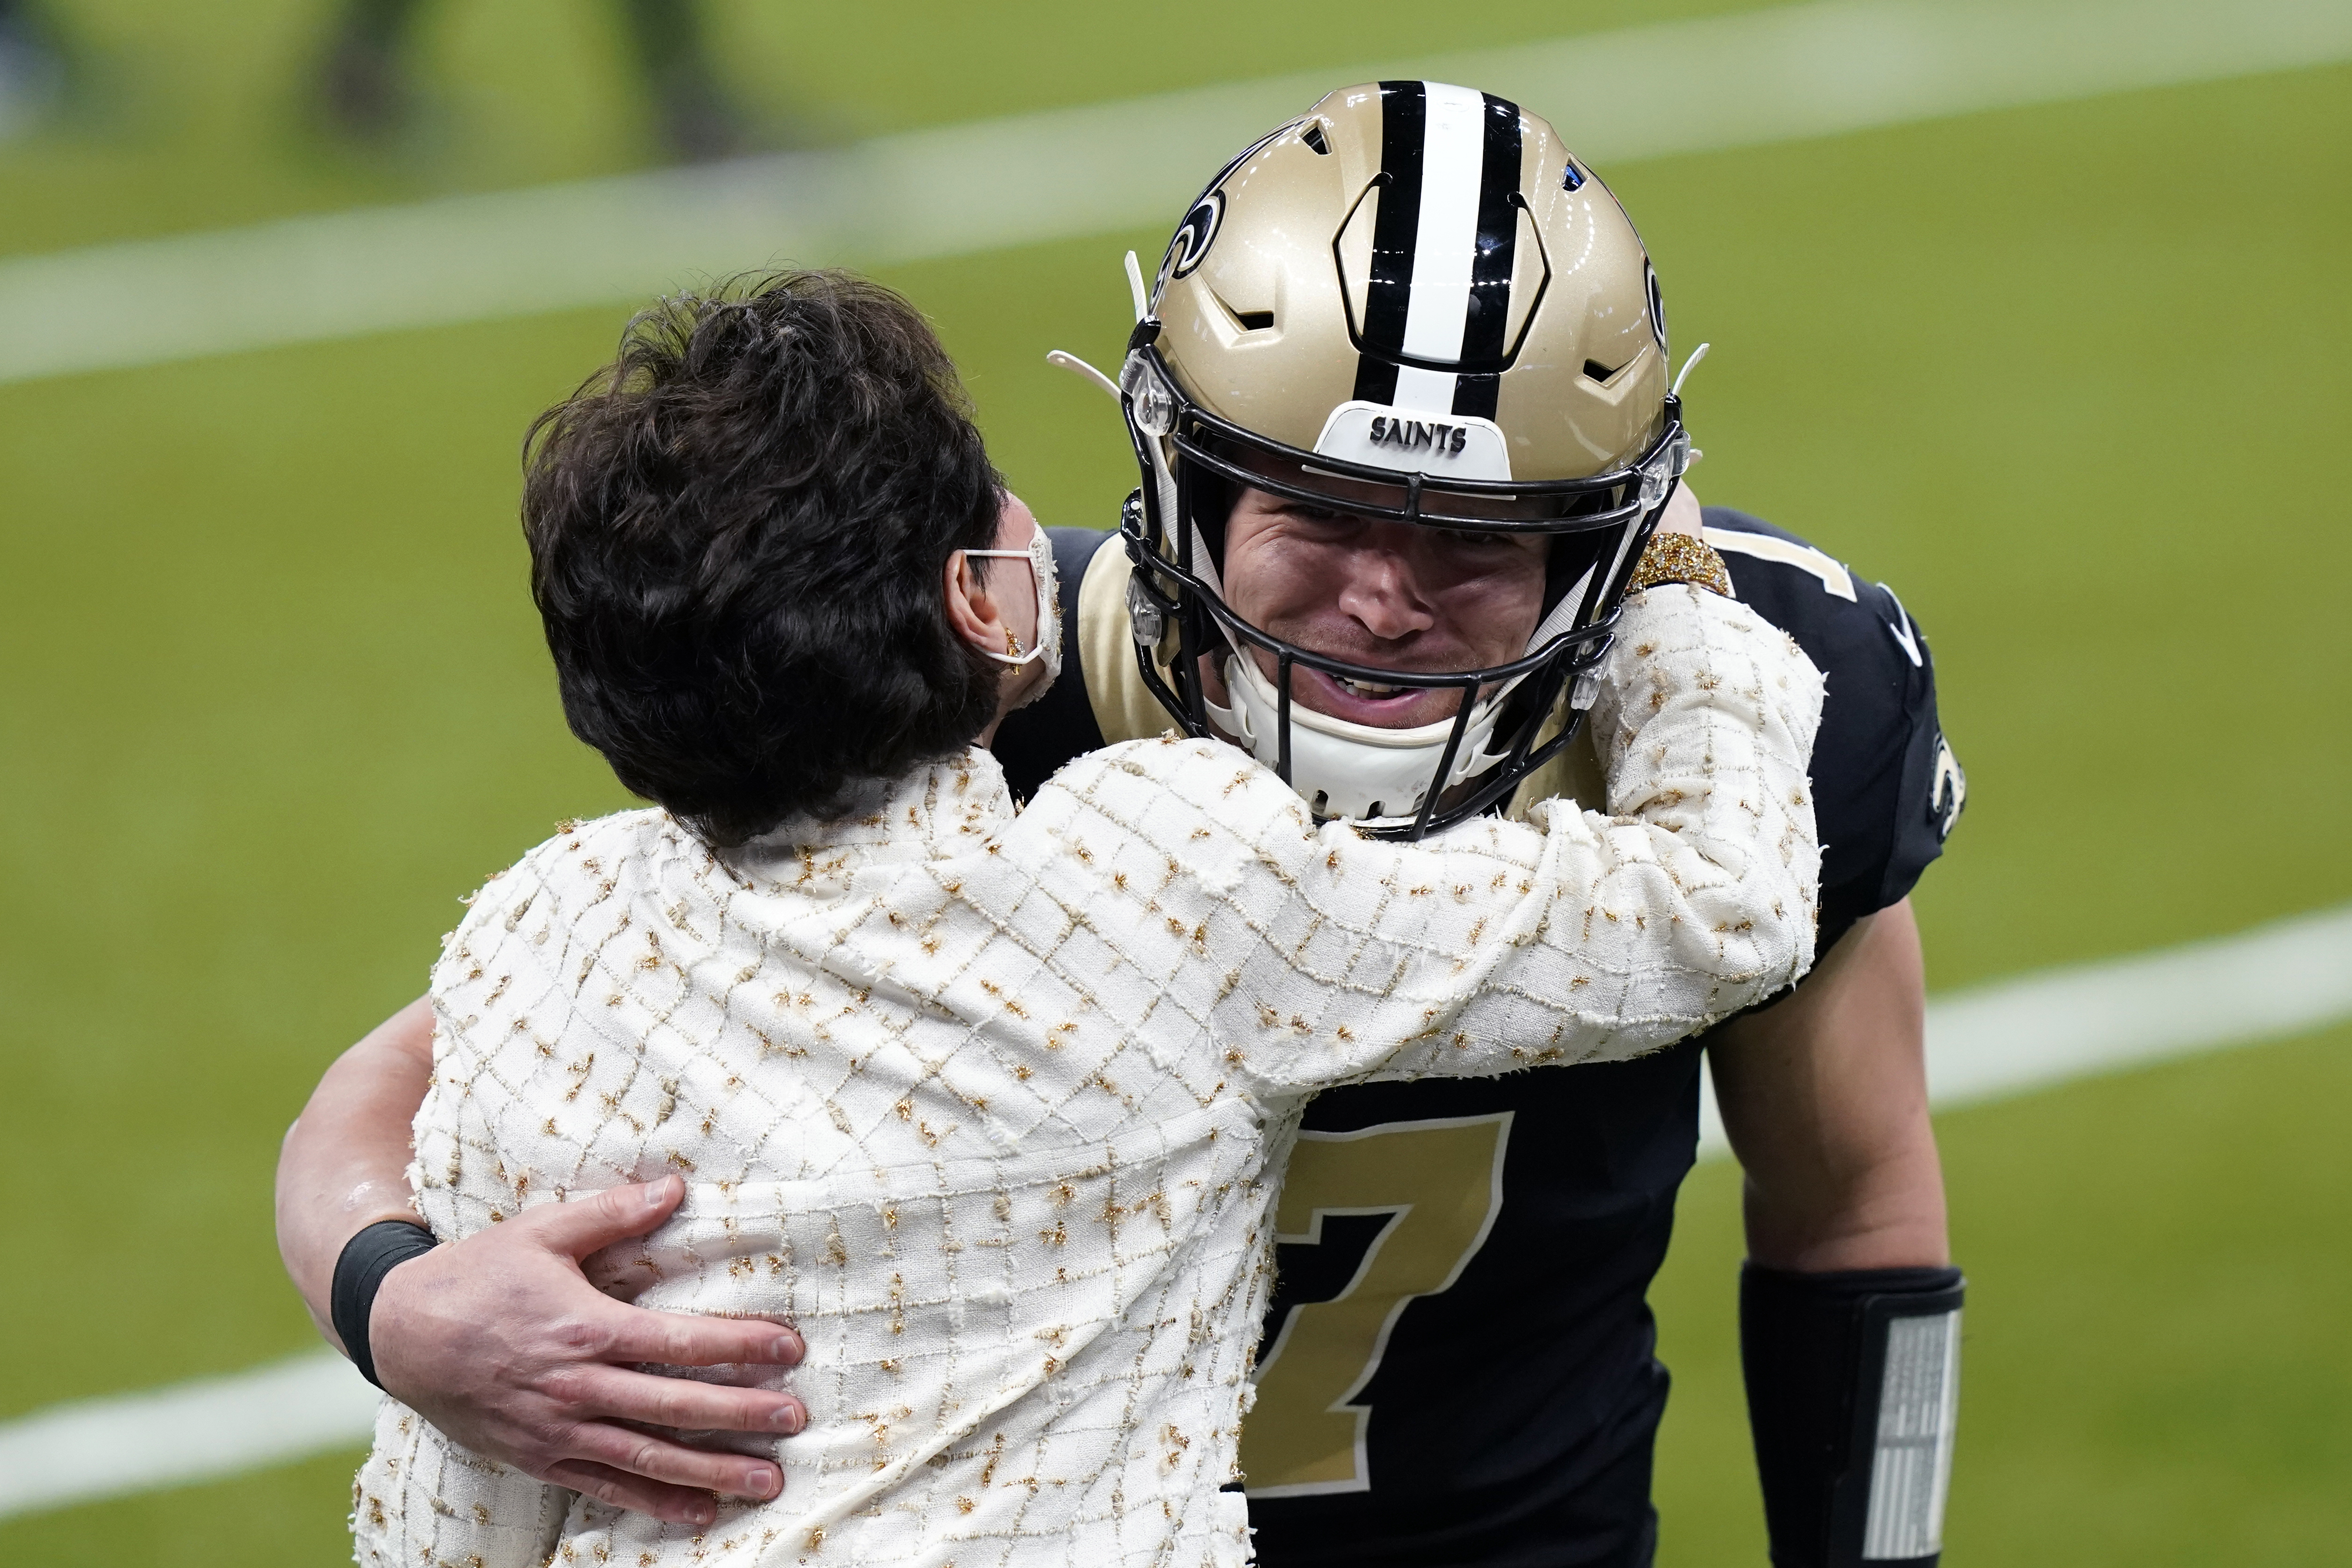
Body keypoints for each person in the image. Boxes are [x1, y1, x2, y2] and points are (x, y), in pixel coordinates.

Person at [278, 84, 1965, 1568]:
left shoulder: (1763, 699)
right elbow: (416, 1075)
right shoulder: (954, 699)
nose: (1380, 600)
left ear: (1600, 546)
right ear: (1185, 482)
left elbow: (1856, 1208)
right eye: (1316, 508)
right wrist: (398, 1294)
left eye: (1473, 535)